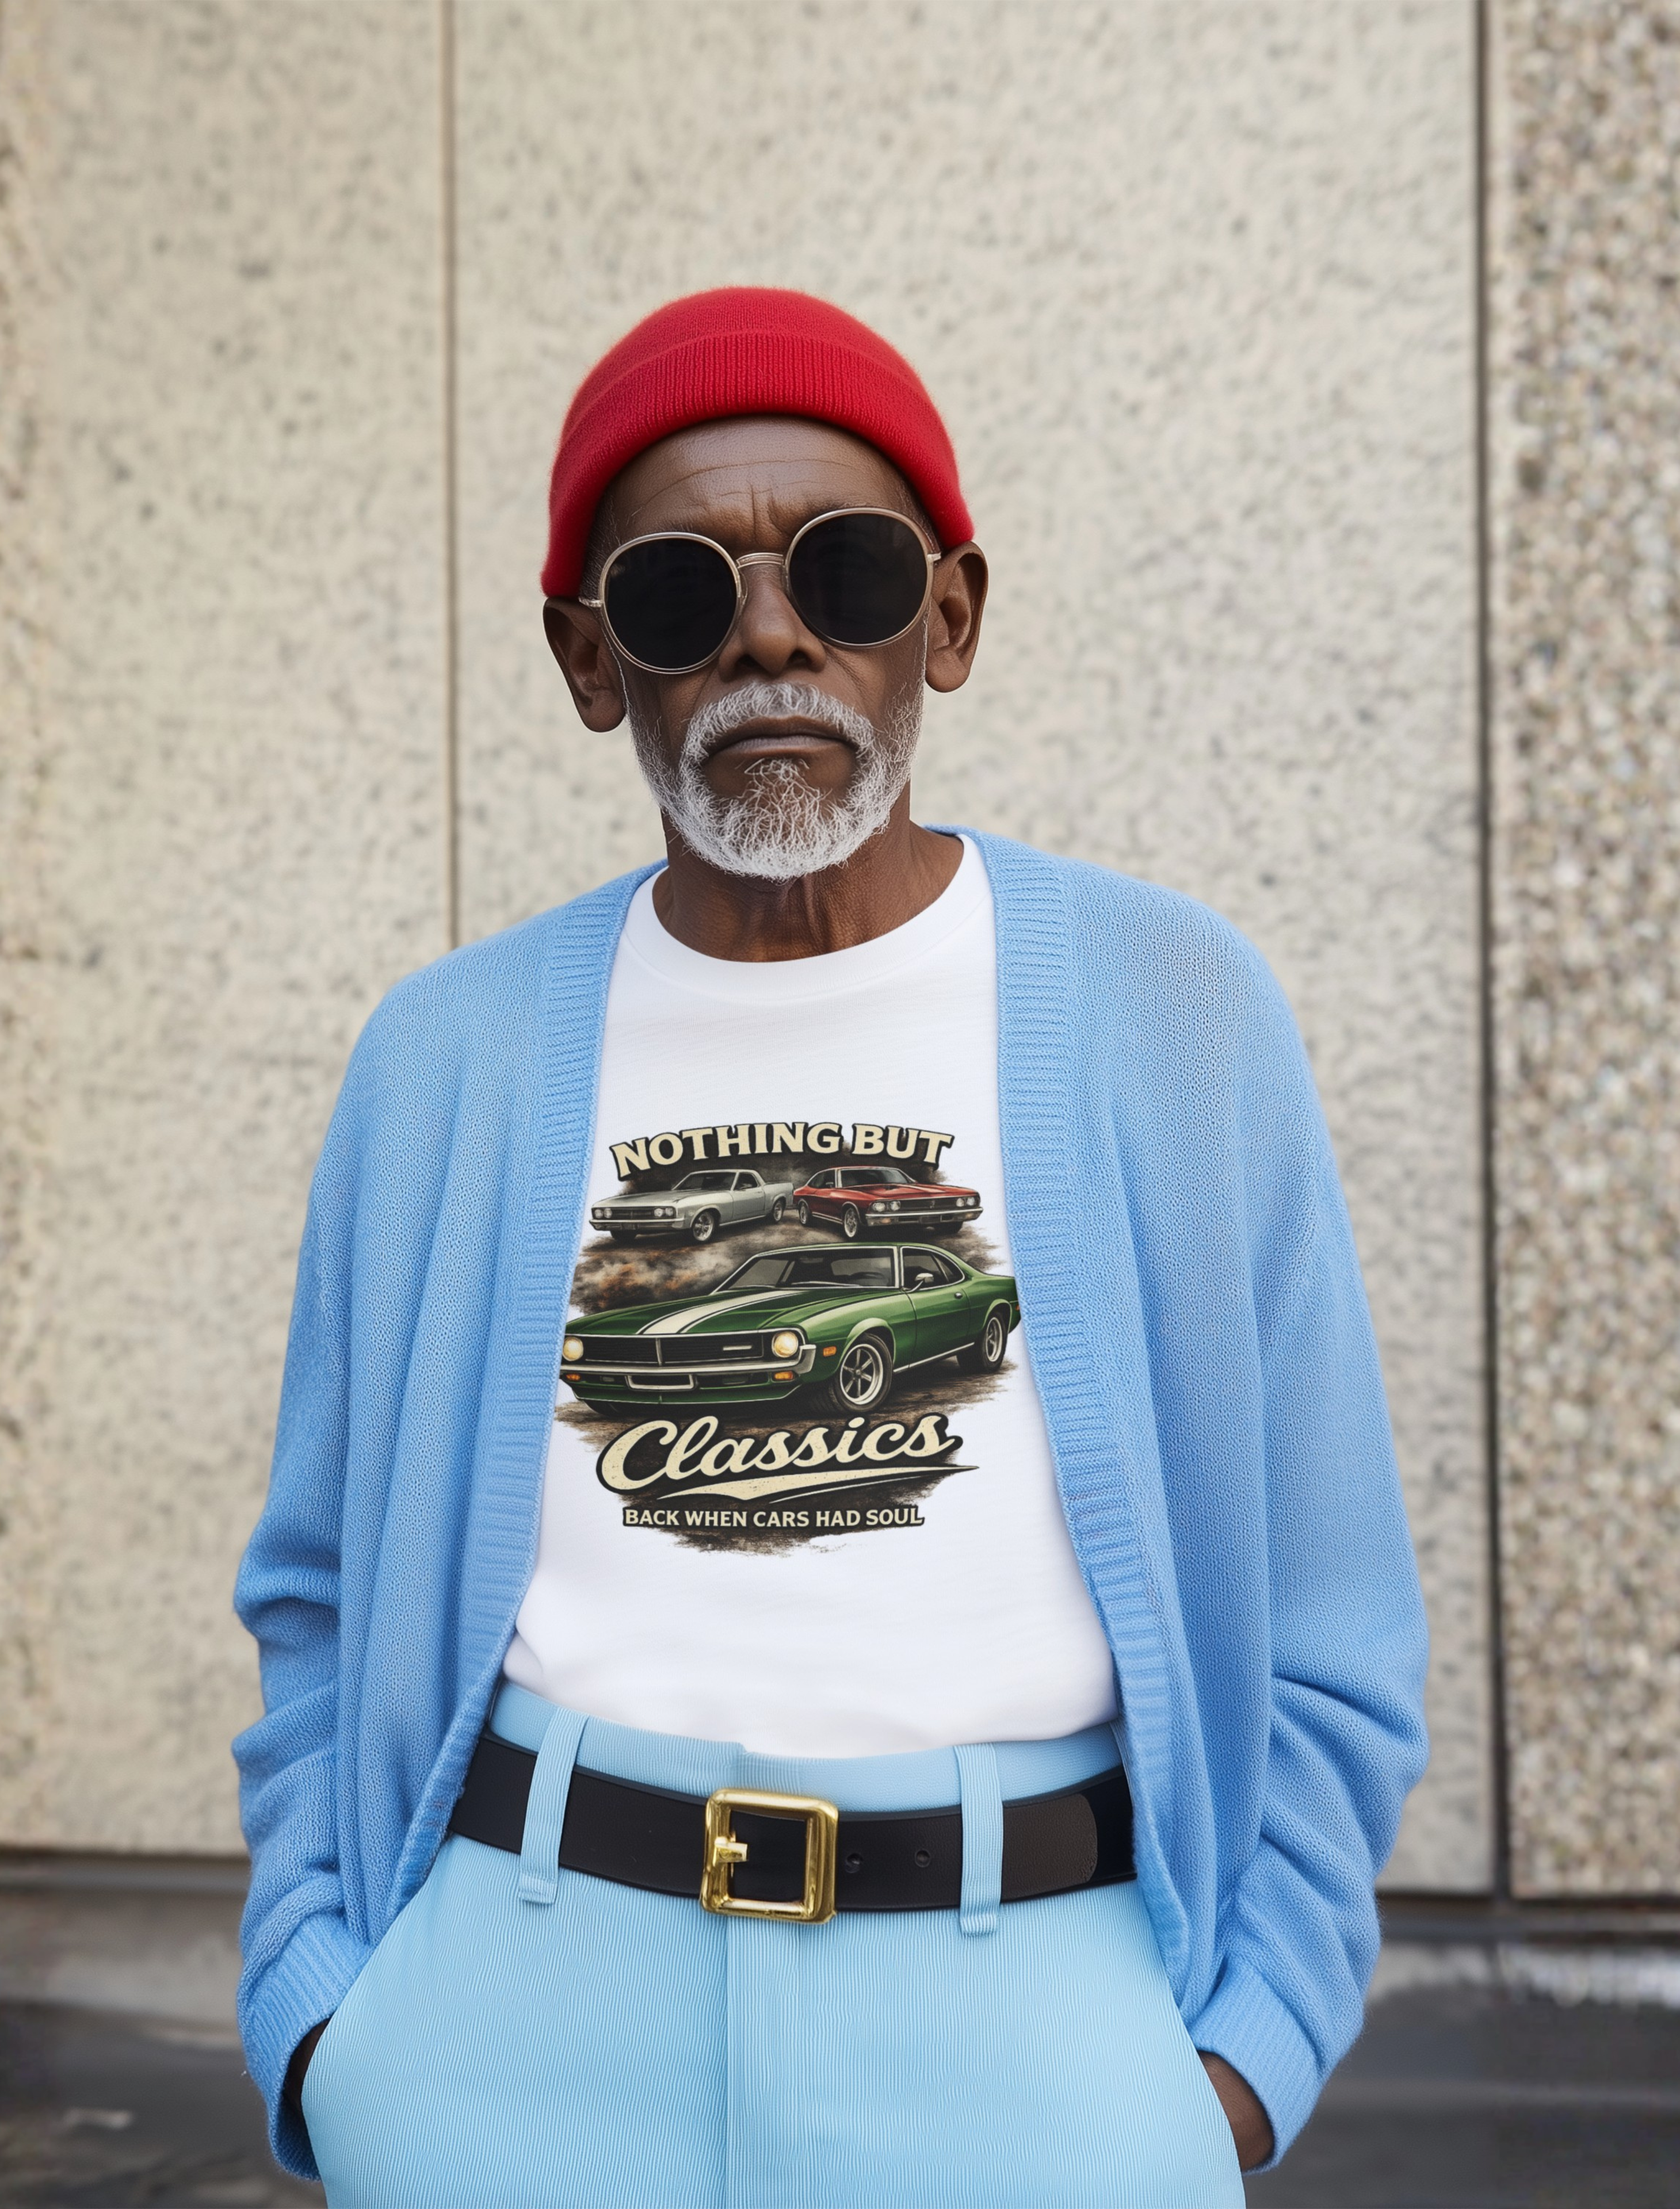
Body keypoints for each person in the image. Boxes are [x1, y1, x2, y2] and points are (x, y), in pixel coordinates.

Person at [234, 287, 1428, 2206]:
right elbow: (317, 1588)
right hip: (510, 2033)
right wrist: (329, 2019)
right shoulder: (447, 1057)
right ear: (587, 658)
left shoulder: (1172, 1011)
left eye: (848, 573)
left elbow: (1331, 1621)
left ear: (946, 619)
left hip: (1037, 2033)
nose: (773, 637)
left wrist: (1235, 2065)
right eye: (681, 595)